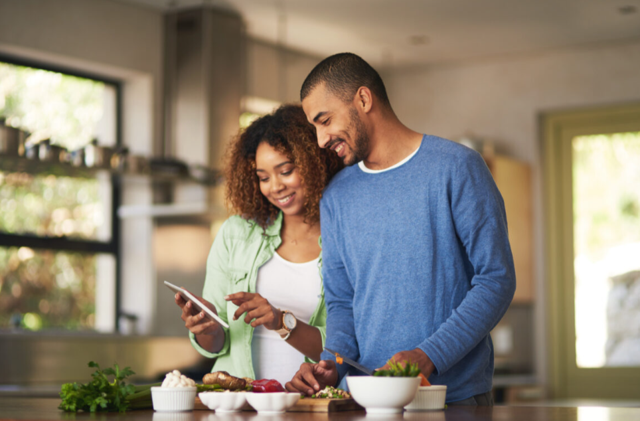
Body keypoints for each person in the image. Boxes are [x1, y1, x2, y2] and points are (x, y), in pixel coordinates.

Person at [285, 53, 516, 405]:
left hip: (452, 400)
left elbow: (496, 279)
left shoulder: (457, 168)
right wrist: (331, 363)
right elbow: (342, 302)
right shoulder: (336, 197)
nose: (320, 139)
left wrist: (428, 356)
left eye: (325, 120)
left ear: (363, 99)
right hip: (366, 402)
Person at [174, 104, 343, 385]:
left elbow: (342, 352)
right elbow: (217, 343)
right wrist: (207, 326)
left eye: (285, 171)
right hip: (238, 405)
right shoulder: (236, 234)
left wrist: (280, 320)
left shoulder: (346, 239)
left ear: (316, 162)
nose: (274, 187)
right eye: (263, 177)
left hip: (308, 405)